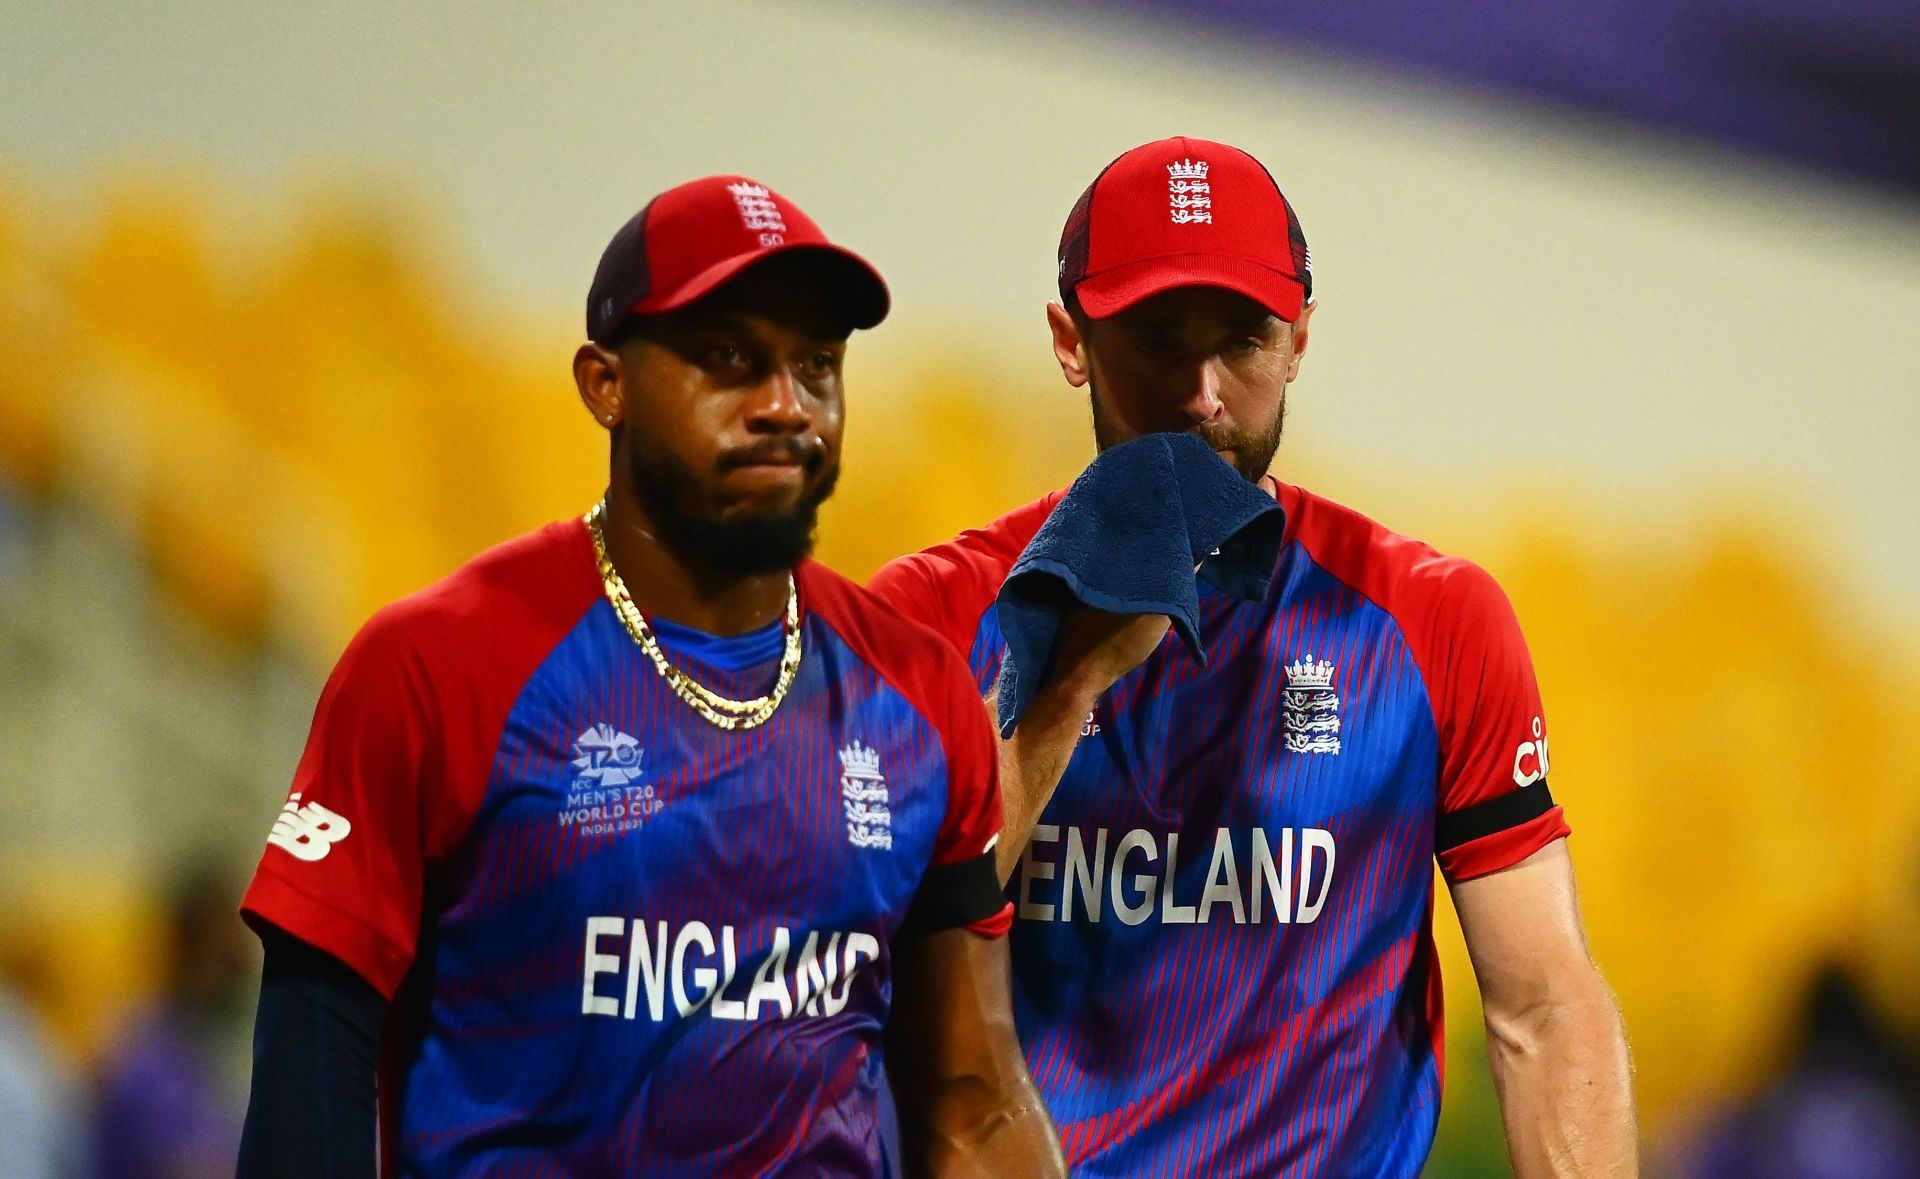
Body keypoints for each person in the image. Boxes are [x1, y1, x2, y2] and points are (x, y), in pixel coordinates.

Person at [236, 175, 1065, 1178]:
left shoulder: (920, 695)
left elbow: (971, 1106)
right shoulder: (433, 666)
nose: (783, 406)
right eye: (728, 359)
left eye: (815, 366)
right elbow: (312, 1059)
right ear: (605, 383)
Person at [868, 137, 1638, 1176]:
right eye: (1152, 339)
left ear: (1301, 338)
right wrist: (1068, 682)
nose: (1202, 395)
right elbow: (859, 968)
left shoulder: (1431, 620)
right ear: (1069, 340)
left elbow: (1544, 1007)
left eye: (1242, 340)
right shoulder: (926, 620)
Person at [94, 864, 253, 1179]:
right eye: (224, 959)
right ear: (187, 953)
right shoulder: (145, 1060)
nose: (239, 971)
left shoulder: (217, 1046)